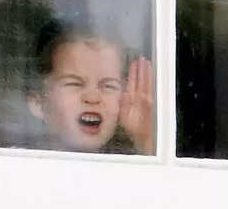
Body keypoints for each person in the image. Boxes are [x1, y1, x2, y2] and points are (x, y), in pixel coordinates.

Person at [25, 20, 154, 154]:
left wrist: (145, 140)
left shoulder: (129, 168)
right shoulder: (19, 163)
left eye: (109, 86)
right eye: (74, 83)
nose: (92, 97)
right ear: (38, 102)